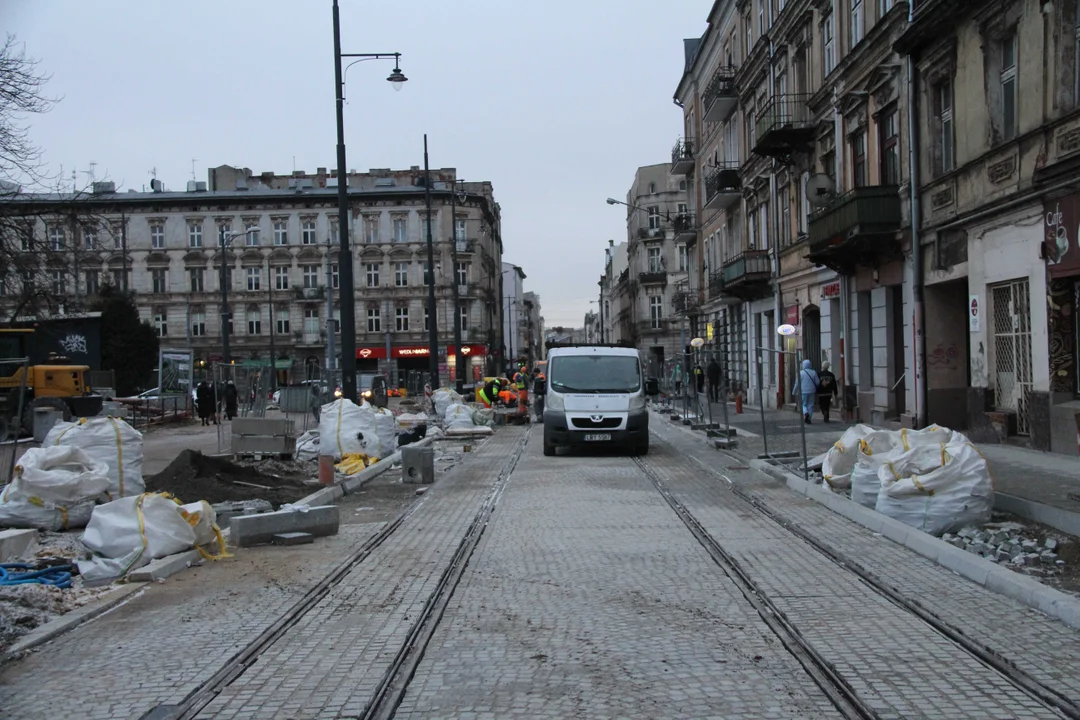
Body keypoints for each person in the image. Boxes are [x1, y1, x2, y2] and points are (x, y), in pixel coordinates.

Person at [794, 359, 820, 424]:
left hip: (803, 392)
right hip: (812, 391)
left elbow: (797, 383)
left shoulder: (801, 373)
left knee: (803, 404)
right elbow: (817, 382)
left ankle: (805, 413)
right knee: (810, 405)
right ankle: (809, 418)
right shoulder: (813, 372)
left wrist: (794, 391)